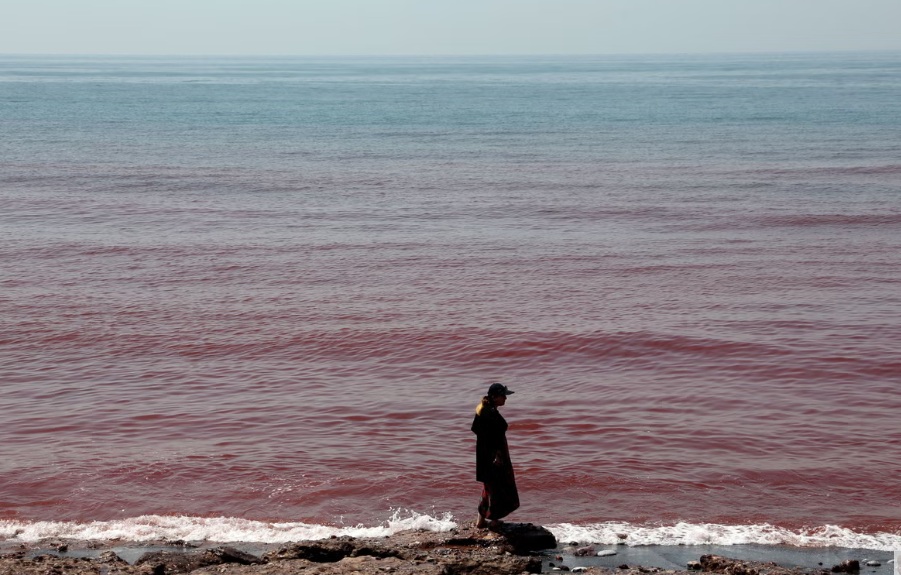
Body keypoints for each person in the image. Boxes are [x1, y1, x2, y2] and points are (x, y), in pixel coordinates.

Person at [471, 382, 520, 529]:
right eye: (503, 396)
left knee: (489, 487)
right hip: (494, 457)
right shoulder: (489, 413)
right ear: (494, 397)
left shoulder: (484, 409)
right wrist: (497, 455)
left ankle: (481, 520)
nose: (505, 398)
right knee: (498, 488)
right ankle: (494, 520)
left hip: (485, 457)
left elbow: (477, 430)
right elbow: (493, 438)